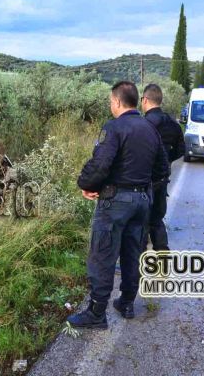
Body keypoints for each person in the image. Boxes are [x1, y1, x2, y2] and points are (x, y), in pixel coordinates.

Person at [67, 81, 168, 329]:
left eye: (111, 102)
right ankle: (126, 303)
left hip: (116, 202)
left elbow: (101, 164)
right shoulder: (149, 128)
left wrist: (86, 184)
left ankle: (97, 313)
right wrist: (143, 187)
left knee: (102, 254)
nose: (110, 105)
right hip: (143, 201)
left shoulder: (114, 128)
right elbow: (163, 168)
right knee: (132, 253)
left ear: (117, 102)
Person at [140, 83, 185, 251]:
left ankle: (140, 262)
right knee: (157, 219)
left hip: (144, 179)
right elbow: (181, 149)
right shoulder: (173, 124)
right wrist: (166, 160)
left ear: (145, 100)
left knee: (141, 221)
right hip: (162, 178)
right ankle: (163, 260)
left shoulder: (143, 124)